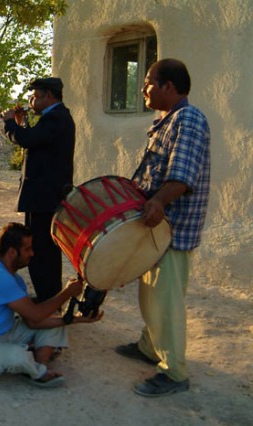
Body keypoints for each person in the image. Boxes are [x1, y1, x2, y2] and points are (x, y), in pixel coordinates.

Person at [114, 59, 211, 397]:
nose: (143, 89)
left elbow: (181, 176)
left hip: (173, 227)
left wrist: (157, 202)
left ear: (170, 87)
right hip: (156, 228)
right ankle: (149, 347)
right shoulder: (165, 122)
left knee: (166, 300)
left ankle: (174, 373)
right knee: (151, 293)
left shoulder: (188, 119)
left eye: (149, 82)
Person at [0, 223, 102, 387]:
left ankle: (38, 365)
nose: (32, 253)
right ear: (12, 252)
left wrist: (76, 319)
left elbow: (32, 321)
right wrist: (67, 293)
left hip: (4, 333)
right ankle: (37, 371)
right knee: (17, 356)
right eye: (27, 249)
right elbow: (35, 315)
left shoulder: (14, 279)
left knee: (57, 321)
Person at [2, 77, 75, 303]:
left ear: (48, 96)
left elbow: (28, 140)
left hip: (44, 197)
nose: (31, 101)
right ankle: (48, 296)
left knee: (41, 251)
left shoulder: (56, 118)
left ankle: (48, 300)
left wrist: (9, 123)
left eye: (34, 96)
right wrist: (22, 124)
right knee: (45, 250)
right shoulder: (55, 118)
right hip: (45, 196)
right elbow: (36, 141)